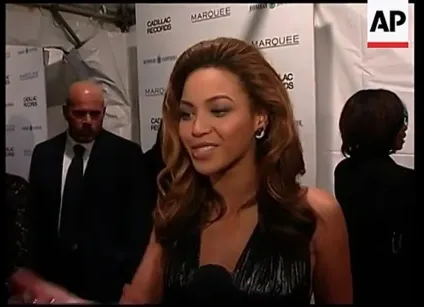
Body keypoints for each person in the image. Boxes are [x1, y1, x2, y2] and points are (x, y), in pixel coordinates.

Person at [65, 37, 352, 304]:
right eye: (187, 114)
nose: (196, 129)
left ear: (260, 117)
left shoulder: (315, 213)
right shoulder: (176, 211)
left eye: (219, 110)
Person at [16, 80, 154, 303]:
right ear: (65, 112)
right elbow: (35, 219)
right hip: (52, 278)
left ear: (104, 113)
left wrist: (130, 279)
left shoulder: (125, 155)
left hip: (106, 280)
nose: (88, 121)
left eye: (95, 114)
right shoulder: (44, 154)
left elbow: (137, 223)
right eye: (80, 113)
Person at [334, 89, 414, 304]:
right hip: (392, 286)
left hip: (351, 281)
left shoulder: (343, 171)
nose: (405, 128)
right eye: (401, 121)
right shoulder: (404, 181)